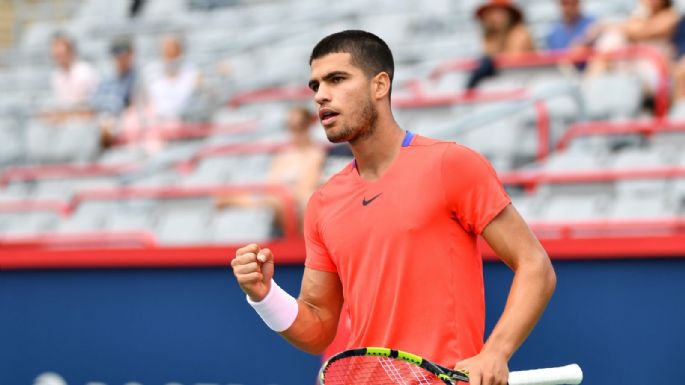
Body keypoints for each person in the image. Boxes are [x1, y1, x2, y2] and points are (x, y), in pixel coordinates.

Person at [231, 30, 556, 385]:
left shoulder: (452, 164)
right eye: (315, 86)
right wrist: (264, 296)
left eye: (337, 79)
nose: (322, 95)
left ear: (380, 85)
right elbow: (319, 328)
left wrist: (495, 352)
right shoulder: (323, 203)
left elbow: (535, 265)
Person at [216, 106, 325, 233]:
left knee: (279, 201)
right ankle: (240, 201)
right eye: (290, 127)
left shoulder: (315, 153)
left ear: (309, 126)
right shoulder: (283, 154)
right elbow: (271, 186)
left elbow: (306, 189)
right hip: (280, 206)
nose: (295, 132)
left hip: (298, 210)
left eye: (300, 126)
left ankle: (239, 201)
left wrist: (286, 192)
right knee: (275, 201)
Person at [466, 0, 536, 89]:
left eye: (498, 12)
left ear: (509, 15)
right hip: (505, 83)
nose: (494, 17)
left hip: (526, 81)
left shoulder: (520, 32)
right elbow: (489, 57)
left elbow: (512, 61)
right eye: (491, 13)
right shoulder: (490, 36)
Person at [43, 33, 99, 122]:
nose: (58, 59)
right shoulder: (56, 75)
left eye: (61, 54)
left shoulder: (84, 72)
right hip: (69, 119)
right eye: (56, 56)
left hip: (86, 119)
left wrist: (61, 115)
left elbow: (83, 107)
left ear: (71, 52)